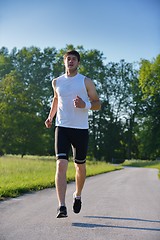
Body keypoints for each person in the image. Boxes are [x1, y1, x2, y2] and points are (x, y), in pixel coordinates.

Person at [45, 50, 101, 218]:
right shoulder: (57, 82)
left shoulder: (86, 81)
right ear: (64, 62)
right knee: (61, 164)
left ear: (78, 63)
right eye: (68, 59)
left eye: (74, 59)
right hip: (61, 127)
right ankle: (61, 206)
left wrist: (85, 105)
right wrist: (50, 116)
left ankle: (77, 195)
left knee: (80, 166)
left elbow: (97, 103)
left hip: (81, 130)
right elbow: (56, 99)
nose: (70, 61)